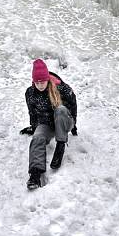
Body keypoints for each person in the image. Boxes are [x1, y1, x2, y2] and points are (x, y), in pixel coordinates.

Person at [20, 59, 78, 190]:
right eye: (37, 82)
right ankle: (35, 174)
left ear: (47, 79)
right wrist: (35, 128)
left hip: (64, 122)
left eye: (43, 81)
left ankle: (60, 145)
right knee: (37, 138)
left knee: (60, 110)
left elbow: (73, 103)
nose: (40, 85)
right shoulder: (30, 93)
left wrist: (74, 125)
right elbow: (32, 113)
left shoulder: (61, 88)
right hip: (46, 124)